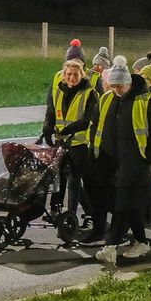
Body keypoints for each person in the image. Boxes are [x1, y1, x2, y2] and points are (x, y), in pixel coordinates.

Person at [95, 56, 151, 264]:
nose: (116, 90)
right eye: (113, 86)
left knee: (122, 204)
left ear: (129, 83)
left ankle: (111, 246)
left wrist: (150, 159)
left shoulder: (145, 102)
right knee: (132, 205)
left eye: (119, 86)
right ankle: (142, 243)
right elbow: (96, 125)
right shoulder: (108, 99)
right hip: (113, 161)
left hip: (137, 162)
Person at [42, 58, 102, 241]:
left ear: (81, 75)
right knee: (59, 177)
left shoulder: (90, 93)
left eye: (75, 74)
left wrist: (70, 129)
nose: (71, 77)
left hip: (80, 144)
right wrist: (47, 128)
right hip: (62, 142)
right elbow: (51, 112)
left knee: (74, 181)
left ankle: (71, 216)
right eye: (68, 74)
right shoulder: (59, 91)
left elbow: (90, 119)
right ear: (63, 75)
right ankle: (65, 210)